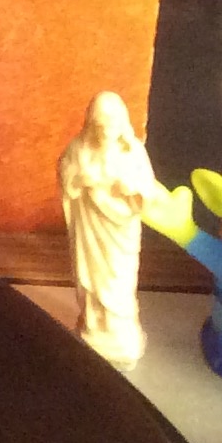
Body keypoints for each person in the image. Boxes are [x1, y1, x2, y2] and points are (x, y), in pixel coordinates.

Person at [58, 91, 158, 364]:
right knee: (92, 277)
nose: (105, 131)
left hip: (119, 233)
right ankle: (94, 324)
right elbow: (66, 177)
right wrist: (81, 179)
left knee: (118, 278)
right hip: (90, 231)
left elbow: (147, 190)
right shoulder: (79, 149)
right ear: (91, 123)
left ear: (122, 124)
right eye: (100, 125)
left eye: (111, 125)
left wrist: (130, 188)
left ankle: (117, 330)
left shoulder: (133, 152)